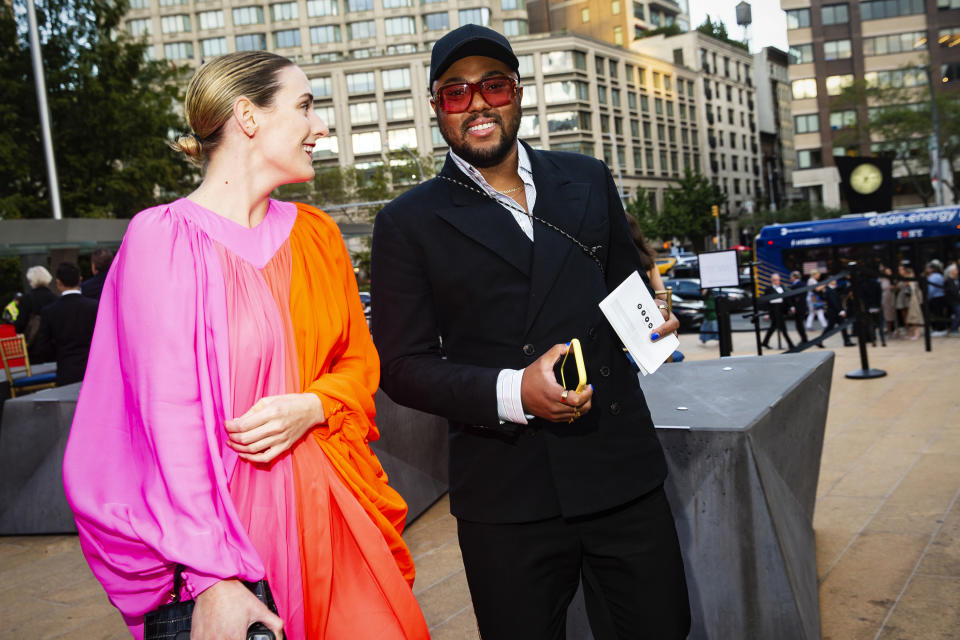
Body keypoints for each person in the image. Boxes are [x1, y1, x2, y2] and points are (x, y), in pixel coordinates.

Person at [62, 51, 428, 640]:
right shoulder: (161, 238)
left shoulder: (319, 235)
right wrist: (213, 578)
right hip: (232, 532)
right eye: (305, 106)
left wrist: (315, 405)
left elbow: (359, 359)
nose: (321, 126)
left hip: (334, 512)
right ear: (248, 116)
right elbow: (167, 421)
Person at [370, 25, 690, 640]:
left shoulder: (587, 177)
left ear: (517, 94)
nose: (478, 103)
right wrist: (516, 392)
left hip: (619, 470)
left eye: (493, 85)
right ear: (437, 107)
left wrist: (656, 328)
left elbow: (627, 291)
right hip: (507, 491)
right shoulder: (407, 222)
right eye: (457, 93)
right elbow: (403, 367)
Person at [32, 262, 98, 386]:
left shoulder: (50, 311)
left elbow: (43, 346)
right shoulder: (95, 306)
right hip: (94, 369)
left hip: (66, 369)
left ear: (58, 282)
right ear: (80, 279)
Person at [14, 265, 58, 360]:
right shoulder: (55, 298)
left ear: (31, 280)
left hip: (34, 345)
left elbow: (20, 323)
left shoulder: (26, 299)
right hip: (55, 346)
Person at [818, 278, 854, 347]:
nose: (835, 281)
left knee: (843, 326)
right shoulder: (829, 290)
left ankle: (847, 341)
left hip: (836, 311)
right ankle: (819, 341)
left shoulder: (833, 289)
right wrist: (841, 311)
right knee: (830, 327)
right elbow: (834, 302)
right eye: (833, 280)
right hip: (833, 312)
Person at [761, 273, 794, 350]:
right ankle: (791, 344)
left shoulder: (783, 287)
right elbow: (766, 302)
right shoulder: (768, 289)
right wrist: (766, 313)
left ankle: (765, 342)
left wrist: (791, 306)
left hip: (781, 309)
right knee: (783, 328)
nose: (777, 281)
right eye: (775, 280)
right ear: (772, 280)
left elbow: (786, 298)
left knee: (773, 327)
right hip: (773, 310)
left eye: (778, 280)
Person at [788, 271, 809, 344]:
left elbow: (796, 298)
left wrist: (793, 306)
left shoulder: (797, 285)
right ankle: (804, 339)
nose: (790, 278)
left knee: (799, 324)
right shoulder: (802, 284)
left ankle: (804, 339)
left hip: (798, 307)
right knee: (799, 324)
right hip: (801, 307)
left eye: (791, 276)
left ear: (794, 277)